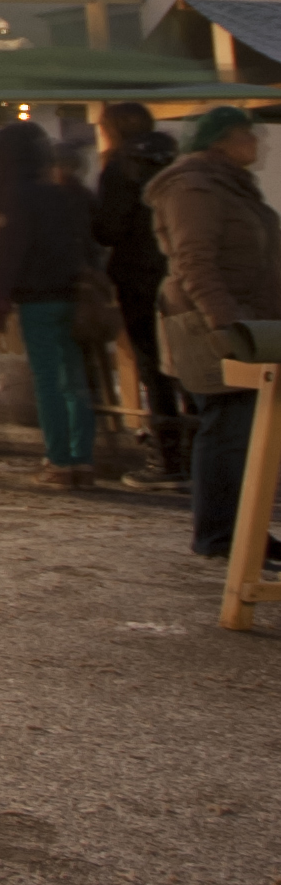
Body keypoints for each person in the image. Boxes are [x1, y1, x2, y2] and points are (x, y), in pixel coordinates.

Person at [145, 104, 281, 563]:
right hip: (213, 323)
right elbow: (195, 262)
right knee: (226, 426)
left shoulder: (229, 186)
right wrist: (225, 323)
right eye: (248, 135)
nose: (256, 144)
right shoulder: (194, 187)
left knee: (246, 428)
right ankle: (221, 534)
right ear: (221, 139)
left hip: (248, 318)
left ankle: (247, 530)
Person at [0, 119, 100, 488]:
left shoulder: (16, 197)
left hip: (37, 299)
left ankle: (58, 460)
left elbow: (13, 251)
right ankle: (82, 459)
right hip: (73, 296)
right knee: (74, 380)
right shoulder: (60, 193)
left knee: (47, 380)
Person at [92, 101, 182, 477]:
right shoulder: (178, 163)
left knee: (153, 367)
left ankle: (168, 455)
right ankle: (196, 450)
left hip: (138, 277)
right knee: (188, 364)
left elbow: (108, 228)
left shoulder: (121, 167)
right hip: (178, 273)